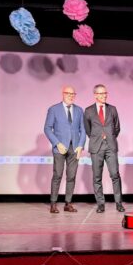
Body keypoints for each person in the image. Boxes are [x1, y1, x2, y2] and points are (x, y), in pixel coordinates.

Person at [43, 85, 86, 213]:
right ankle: (53, 204)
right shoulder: (54, 109)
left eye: (73, 94)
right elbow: (47, 128)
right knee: (57, 175)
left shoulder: (79, 110)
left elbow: (83, 130)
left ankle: (68, 203)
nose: (71, 96)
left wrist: (80, 146)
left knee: (71, 176)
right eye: (68, 93)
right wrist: (57, 143)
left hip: (74, 148)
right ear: (63, 94)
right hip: (60, 148)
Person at [83, 84, 125, 213]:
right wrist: (98, 137)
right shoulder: (88, 110)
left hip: (110, 146)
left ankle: (118, 203)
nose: (104, 95)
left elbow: (117, 127)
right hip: (96, 147)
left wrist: (109, 136)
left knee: (115, 175)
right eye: (101, 93)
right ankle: (100, 204)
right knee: (97, 177)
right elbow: (88, 130)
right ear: (95, 95)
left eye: (105, 93)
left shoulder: (112, 109)